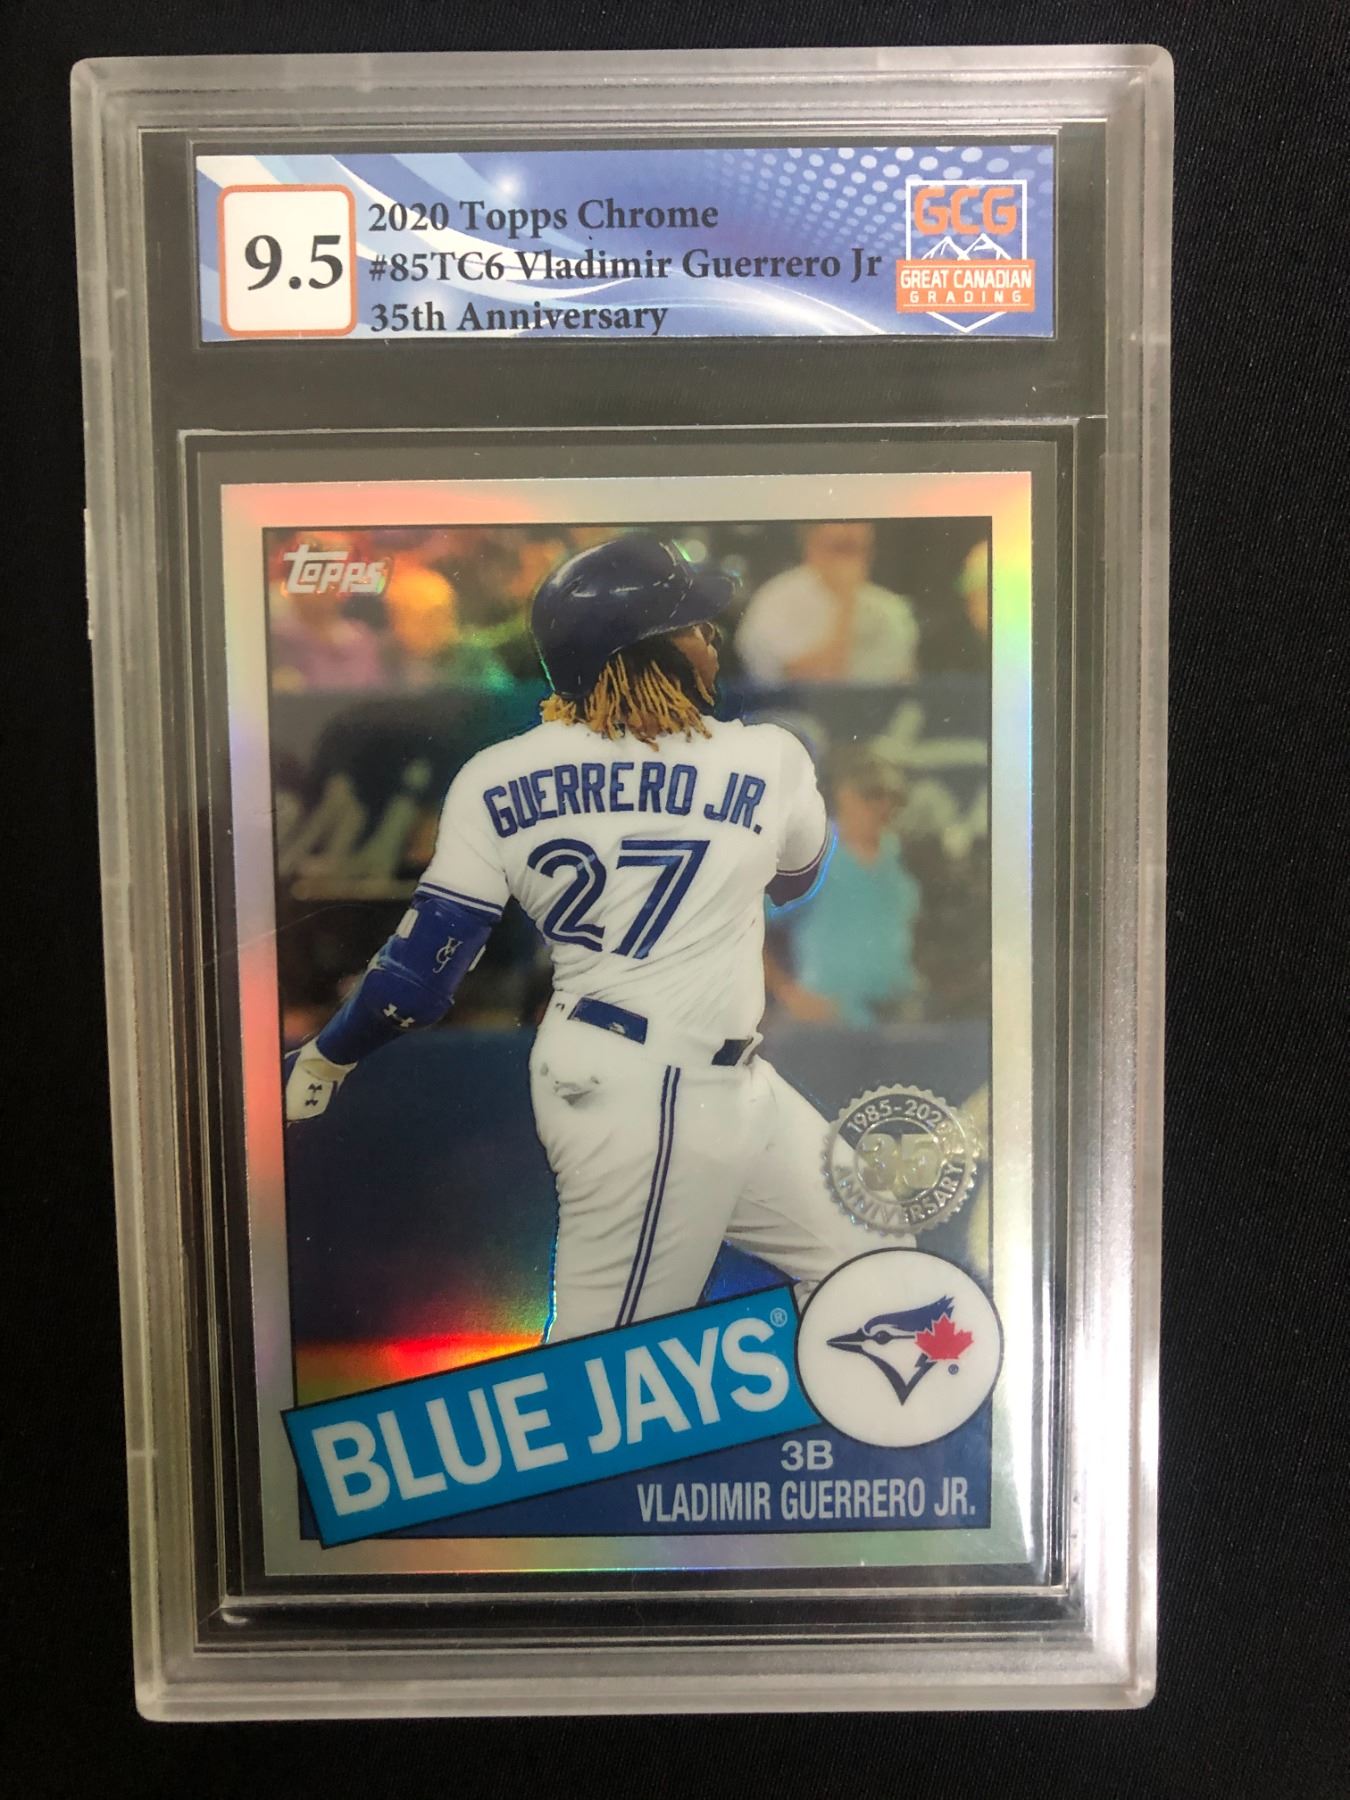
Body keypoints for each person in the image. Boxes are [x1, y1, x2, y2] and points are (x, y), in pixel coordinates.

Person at [284, 533, 881, 1340]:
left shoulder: (496, 775)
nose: (710, 637)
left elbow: (417, 980)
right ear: (639, 654)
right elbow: (798, 878)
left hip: (701, 1078)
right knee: (604, 1357)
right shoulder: (768, 756)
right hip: (651, 1088)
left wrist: (329, 1055)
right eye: (688, 626)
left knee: (876, 1265)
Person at [769, 746, 920, 1028]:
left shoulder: (901, 859)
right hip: (830, 1024)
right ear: (845, 794)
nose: (885, 805)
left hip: (898, 1018)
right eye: (873, 793)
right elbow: (747, 925)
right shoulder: (812, 855)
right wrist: (789, 993)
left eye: (895, 796)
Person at [734, 521, 919, 684]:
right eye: (839, 548)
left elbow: (903, 688)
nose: (849, 561)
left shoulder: (889, 608)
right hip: (790, 710)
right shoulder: (775, 600)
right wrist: (846, 602)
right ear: (811, 547)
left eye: (858, 549)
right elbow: (820, 680)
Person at [270, 534, 384, 692]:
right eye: (308, 581)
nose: (318, 590)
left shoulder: (363, 640)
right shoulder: (278, 638)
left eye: (325, 579)